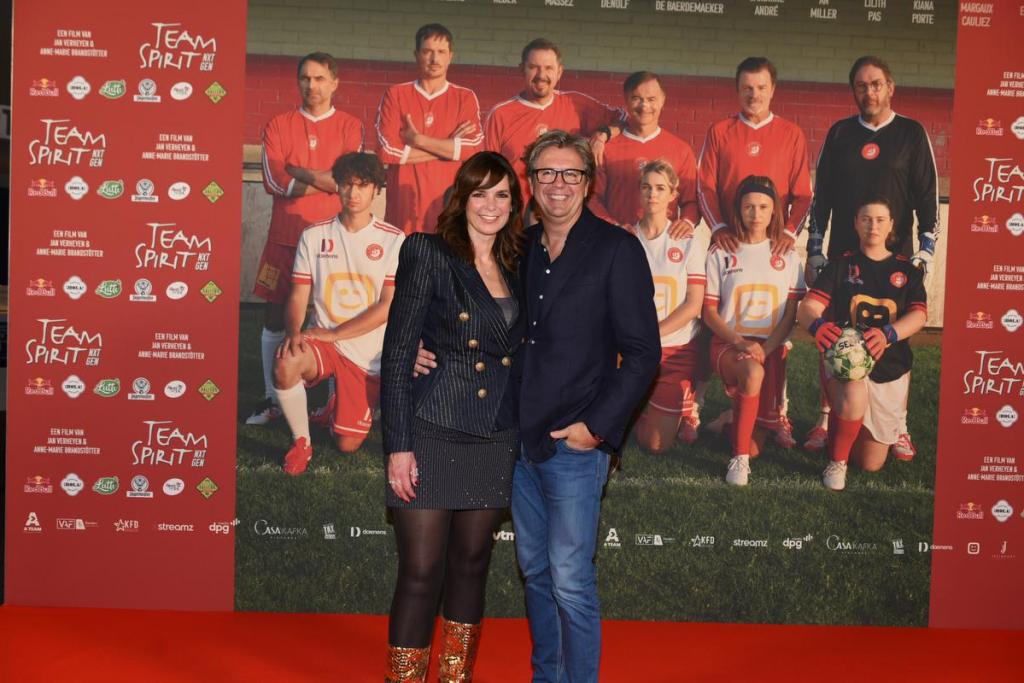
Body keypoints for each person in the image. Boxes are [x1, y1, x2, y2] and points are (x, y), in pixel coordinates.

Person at [513, 131, 660, 681]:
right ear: (531, 182)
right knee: (535, 572)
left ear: (588, 182)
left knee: (570, 579)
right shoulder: (519, 247)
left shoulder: (617, 249)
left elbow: (643, 354)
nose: (558, 184)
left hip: (576, 447)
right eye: (546, 173)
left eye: (570, 173)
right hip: (520, 444)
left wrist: (594, 430)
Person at [379, 152, 527, 682]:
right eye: (480, 193)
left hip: (495, 433)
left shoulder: (521, 262)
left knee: (470, 565)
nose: (491, 205)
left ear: (514, 204)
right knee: (421, 571)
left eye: (502, 194)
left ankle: (454, 676)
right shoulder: (428, 251)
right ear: (461, 198)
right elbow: (399, 353)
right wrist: (398, 446)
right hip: (432, 429)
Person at [803, 55, 939, 459]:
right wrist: (814, 248)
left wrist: (926, 250)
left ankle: (899, 426)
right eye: (861, 85)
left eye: (876, 84)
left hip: (895, 256)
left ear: (890, 87)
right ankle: (826, 417)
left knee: (895, 336)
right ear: (854, 91)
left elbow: (927, 196)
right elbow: (821, 196)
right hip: (843, 256)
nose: (869, 92)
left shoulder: (911, 133)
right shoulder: (840, 133)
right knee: (834, 332)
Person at [690, 57, 813, 448]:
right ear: (737, 89)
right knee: (714, 320)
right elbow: (705, 187)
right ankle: (695, 404)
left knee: (777, 331)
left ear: (772, 90)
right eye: (746, 87)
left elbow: (803, 194)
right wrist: (720, 228)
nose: (753, 94)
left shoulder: (791, 133)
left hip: (772, 246)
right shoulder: (720, 131)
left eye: (760, 87)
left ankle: (778, 413)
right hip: (732, 243)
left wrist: (789, 232)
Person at [248, 52, 365, 426]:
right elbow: (274, 181)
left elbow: (346, 181)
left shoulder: (349, 126)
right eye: (305, 78)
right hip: (284, 238)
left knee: (337, 317)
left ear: (334, 83)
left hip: (334, 239)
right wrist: (323, 179)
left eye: (319, 78)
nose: (311, 85)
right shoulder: (278, 125)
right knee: (274, 317)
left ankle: (334, 401)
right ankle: (272, 398)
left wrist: (299, 171)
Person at [272, 153, 403, 474]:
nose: (353, 193)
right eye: (346, 184)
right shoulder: (314, 235)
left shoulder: (393, 239)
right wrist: (293, 333)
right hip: (324, 343)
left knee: (346, 444)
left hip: (367, 355)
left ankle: (335, 407)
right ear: (337, 187)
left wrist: (333, 334)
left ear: (377, 189)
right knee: (287, 360)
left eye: (363, 185)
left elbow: (387, 306)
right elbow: (298, 295)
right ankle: (301, 442)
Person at [798, 198, 927, 490]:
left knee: (870, 463)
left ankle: (843, 431)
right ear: (856, 223)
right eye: (866, 219)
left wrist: (888, 334)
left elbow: (919, 315)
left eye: (880, 220)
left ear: (891, 225)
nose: (873, 226)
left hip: (888, 368)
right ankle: (837, 462)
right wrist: (818, 326)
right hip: (848, 365)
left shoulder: (907, 271)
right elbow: (808, 308)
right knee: (853, 395)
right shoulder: (841, 265)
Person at [702, 176, 805, 486]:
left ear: (774, 211)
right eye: (748, 207)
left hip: (769, 347)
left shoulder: (787, 255)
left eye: (763, 207)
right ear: (738, 210)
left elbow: (791, 314)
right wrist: (740, 342)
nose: (755, 214)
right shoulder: (721, 252)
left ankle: (729, 421)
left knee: (756, 444)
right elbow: (709, 313)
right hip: (729, 343)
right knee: (752, 373)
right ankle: (739, 461)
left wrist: (767, 348)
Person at [485, 38, 626, 205]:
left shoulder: (576, 105)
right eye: (533, 67)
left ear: (559, 72)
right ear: (522, 69)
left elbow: (623, 118)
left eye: (549, 68)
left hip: (565, 213)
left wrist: (603, 135)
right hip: (518, 214)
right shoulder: (500, 114)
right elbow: (487, 171)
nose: (541, 75)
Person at [375, 23, 484, 235]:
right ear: (416, 55)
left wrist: (418, 141)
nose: (435, 59)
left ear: (450, 56)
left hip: (449, 215)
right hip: (402, 215)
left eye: (441, 52)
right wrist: (449, 146)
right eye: (427, 51)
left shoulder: (465, 97)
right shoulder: (396, 94)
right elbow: (386, 152)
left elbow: (473, 149)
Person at [632, 160, 707, 451]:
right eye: (647, 187)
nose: (652, 194)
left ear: (673, 194)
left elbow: (693, 304)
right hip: (632, 349)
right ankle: (644, 404)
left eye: (660, 188)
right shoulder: (625, 240)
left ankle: (683, 402)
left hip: (674, 350)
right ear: (639, 191)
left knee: (655, 445)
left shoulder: (688, 242)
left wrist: (652, 333)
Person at [589, 71, 699, 233]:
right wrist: (614, 228)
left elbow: (691, 201)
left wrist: (687, 222)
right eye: (636, 98)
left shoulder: (681, 150)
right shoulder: (606, 149)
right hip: (616, 240)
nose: (644, 106)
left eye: (651, 99)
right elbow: (592, 198)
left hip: (663, 242)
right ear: (626, 100)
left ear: (663, 100)